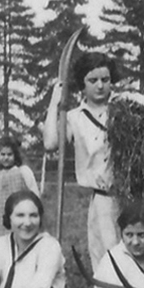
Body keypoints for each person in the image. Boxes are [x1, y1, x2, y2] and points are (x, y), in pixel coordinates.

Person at [43, 51, 122, 273]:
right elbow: (50, 143)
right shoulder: (75, 118)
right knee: (105, 257)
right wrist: (55, 102)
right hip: (102, 199)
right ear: (82, 84)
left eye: (105, 80)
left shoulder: (123, 109)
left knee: (132, 257)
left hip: (131, 197)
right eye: (93, 80)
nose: (100, 86)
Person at [0, 136, 39, 227]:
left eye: (9, 154)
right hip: (2, 219)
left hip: (21, 216)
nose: (6, 158)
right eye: (3, 154)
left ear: (15, 155)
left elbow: (34, 193)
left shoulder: (23, 171)